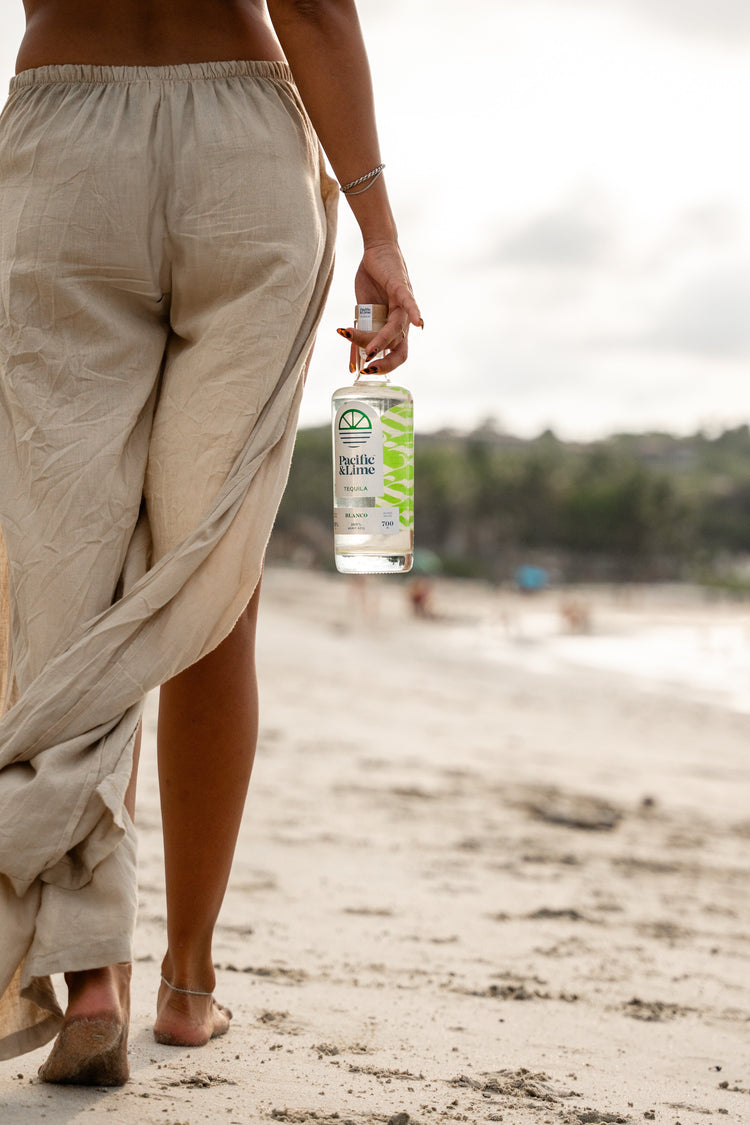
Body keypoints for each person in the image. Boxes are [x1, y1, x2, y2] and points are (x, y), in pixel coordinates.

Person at [0, 0, 421, 1086]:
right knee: (205, 592)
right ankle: (188, 984)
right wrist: (378, 226)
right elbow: (313, 9)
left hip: (65, 144)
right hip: (243, 151)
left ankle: (91, 967)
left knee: (68, 603)